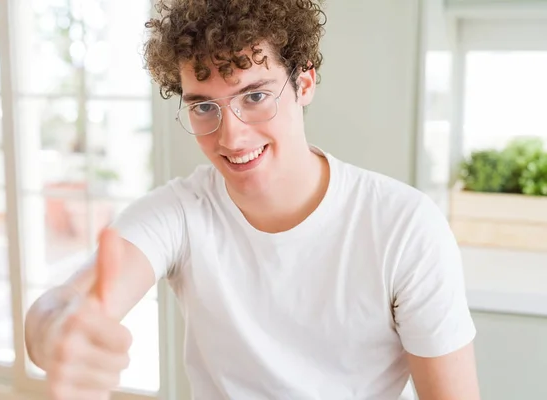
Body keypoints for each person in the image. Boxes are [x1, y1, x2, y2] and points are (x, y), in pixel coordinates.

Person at [24, 0, 482, 399]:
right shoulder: (182, 214)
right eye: (204, 106)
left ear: (304, 84)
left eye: (256, 95)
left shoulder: (403, 226)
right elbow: (57, 306)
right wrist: (59, 331)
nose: (231, 135)